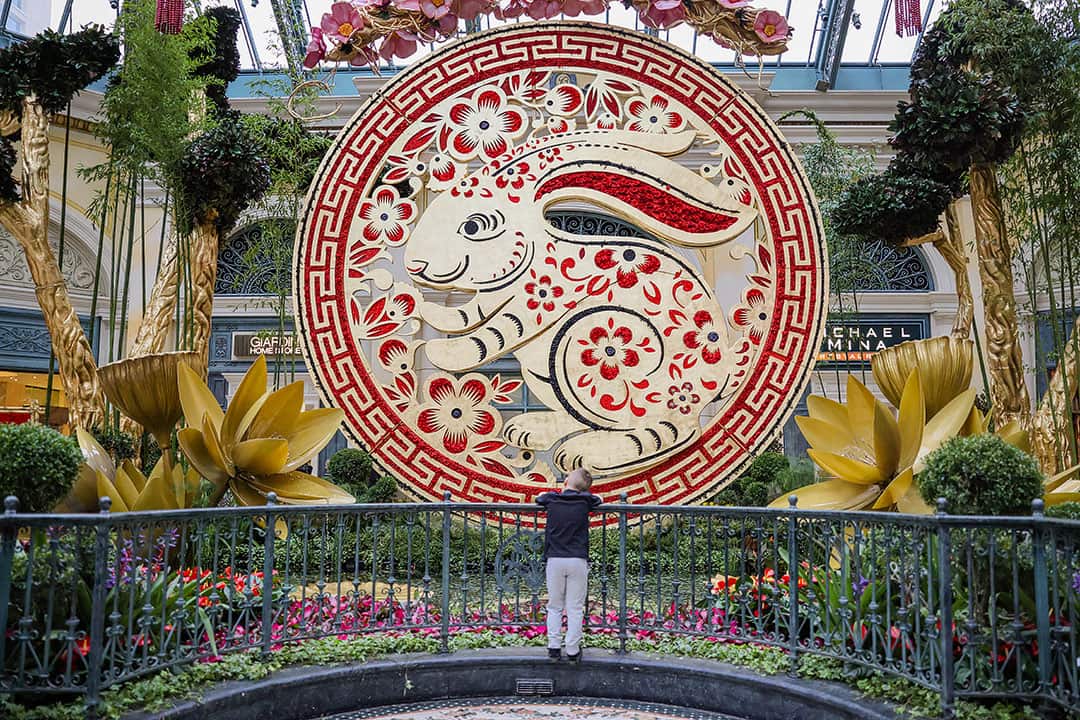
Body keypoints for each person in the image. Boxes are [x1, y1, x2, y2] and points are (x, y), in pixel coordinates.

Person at [537, 468, 601, 664]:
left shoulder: (551, 499)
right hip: (577, 559)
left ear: (565, 481)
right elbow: (598, 500)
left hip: (555, 559)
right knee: (575, 608)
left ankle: (554, 647)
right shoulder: (585, 502)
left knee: (554, 606)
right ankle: (572, 650)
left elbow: (539, 499)